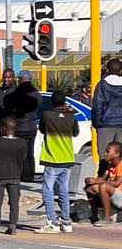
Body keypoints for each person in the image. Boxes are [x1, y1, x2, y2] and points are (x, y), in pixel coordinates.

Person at [36, 91, 80, 234]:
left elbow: (42, 129)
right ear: (64, 101)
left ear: (52, 102)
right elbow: (75, 133)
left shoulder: (47, 115)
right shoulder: (71, 116)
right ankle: (66, 222)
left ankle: (52, 222)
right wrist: (68, 113)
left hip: (52, 157)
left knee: (48, 190)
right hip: (67, 157)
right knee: (64, 190)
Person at [0, 117, 27, 235]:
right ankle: (12, 226)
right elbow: (23, 157)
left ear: (3, 128)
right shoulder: (22, 143)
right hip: (15, 176)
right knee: (14, 203)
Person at [7, 71, 41, 182]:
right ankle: (29, 176)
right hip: (32, 127)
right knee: (30, 153)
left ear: (20, 79)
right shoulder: (36, 93)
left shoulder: (15, 93)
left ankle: (19, 175)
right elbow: (38, 108)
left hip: (19, 127)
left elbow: (9, 109)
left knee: (19, 154)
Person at [84, 141, 122, 226]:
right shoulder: (111, 164)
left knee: (103, 186)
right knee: (90, 187)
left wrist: (97, 181)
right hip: (114, 195)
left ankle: (107, 218)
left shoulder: (121, 165)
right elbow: (103, 178)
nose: (105, 154)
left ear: (117, 154)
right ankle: (94, 215)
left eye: (108, 151)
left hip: (120, 198)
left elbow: (116, 183)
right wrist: (92, 180)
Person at [92, 58, 122, 151]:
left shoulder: (102, 85)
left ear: (107, 70)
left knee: (105, 157)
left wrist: (97, 124)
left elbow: (97, 105)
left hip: (105, 125)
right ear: (121, 71)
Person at [0, 67, 18, 133]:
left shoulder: (17, 90)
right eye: (4, 77)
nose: (6, 79)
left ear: (13, 78)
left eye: (8, 78)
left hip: (10, 127)